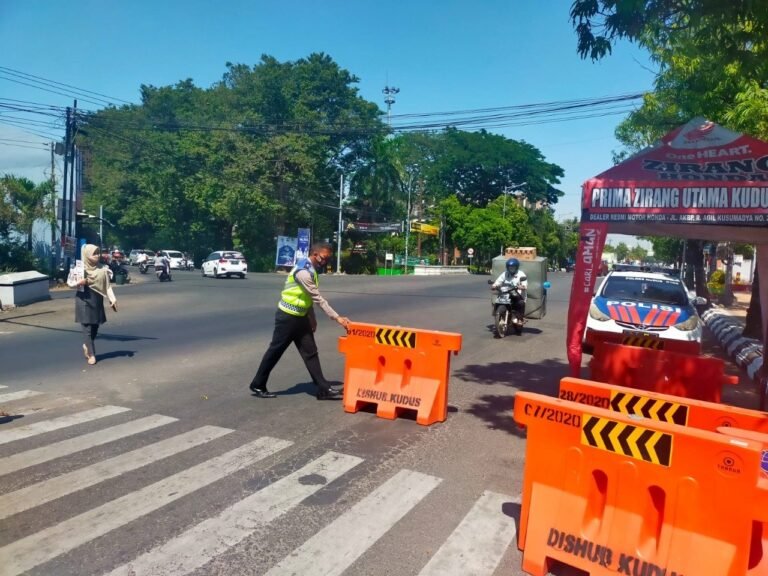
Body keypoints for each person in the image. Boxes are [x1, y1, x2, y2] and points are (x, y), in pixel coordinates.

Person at [249, 242, 350, 400]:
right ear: (314, 254)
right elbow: (317, 298)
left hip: (301, 317)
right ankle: (258, 384)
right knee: (275, 351)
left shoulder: (311, 269)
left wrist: (312, 319)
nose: (324, 262)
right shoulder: (303, 272)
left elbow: (306, 297)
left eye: (327, 260)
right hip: (288, 317)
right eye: (323, 258)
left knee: (310, 352)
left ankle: (323, 389)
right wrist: (337, 318)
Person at [69, 244, 118, 365]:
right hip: (83, 299)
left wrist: (112, 299)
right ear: (87, 255)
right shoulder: (79, 269)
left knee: (95, 327)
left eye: (98, 253)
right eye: (94, 253)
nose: (97, 255)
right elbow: (69, 283)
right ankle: (91, 354)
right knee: (87, 328)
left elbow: (107, 286)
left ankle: (87, 345)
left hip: (97, 300)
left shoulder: (102, 269)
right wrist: (78, 283)